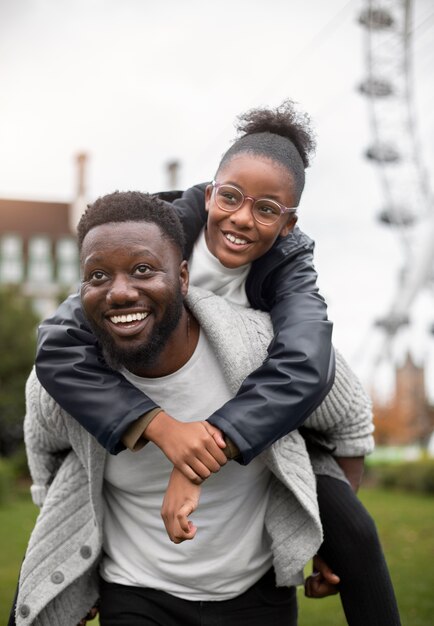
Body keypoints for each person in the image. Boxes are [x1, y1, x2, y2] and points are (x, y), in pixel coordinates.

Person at [32, 101, 401, 625]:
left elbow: (305, 364)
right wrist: (159, 426)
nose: (242, 218)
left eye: (268, 209)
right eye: (230, 197)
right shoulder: (152, 234)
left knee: (355, 533)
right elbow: (59, 343)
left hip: (266, 427)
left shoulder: (290, 266)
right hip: (153, 460)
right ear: (209, 193)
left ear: (290, 223)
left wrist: (206, 449)